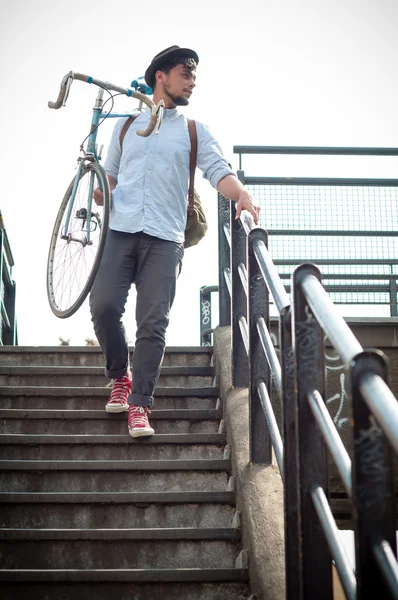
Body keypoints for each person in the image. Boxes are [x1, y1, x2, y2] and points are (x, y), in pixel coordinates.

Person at [90, 45, 260, 439]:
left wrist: (242, 196)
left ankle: (139, 405)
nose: (193, 82)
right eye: (186, 74)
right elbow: (112, 178)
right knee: (103, 307)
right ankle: (120, 376)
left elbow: (219, 171)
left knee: (153, 323)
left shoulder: (193, 131)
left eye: (195, 76)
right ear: (161, 77)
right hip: (121, 229)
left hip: (166, 237)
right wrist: (102, 190)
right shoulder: (126, 127)